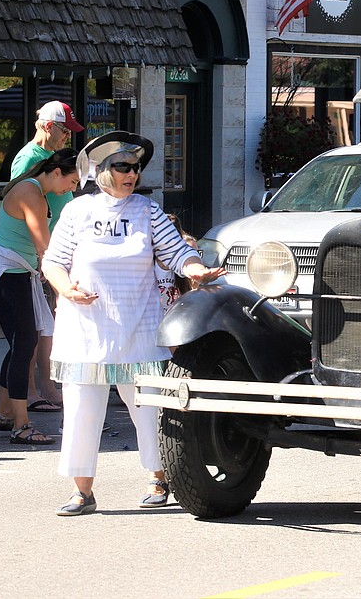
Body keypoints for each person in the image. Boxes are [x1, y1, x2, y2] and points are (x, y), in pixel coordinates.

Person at [42, 132, 224, 516]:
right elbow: (53, 262)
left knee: (150, 409)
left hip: (139, 326)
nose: (132, 174)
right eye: (123, 167)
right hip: (86, 329)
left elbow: (178, 253)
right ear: (99, 171)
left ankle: (160, 478)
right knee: (81, 410)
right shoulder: (76, 212)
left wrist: (197, 270)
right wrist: (67, 289)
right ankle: (82, 491)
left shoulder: (148, 211)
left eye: (136, 167)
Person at [0, 149, 80, 445]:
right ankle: (21, 425)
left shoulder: (36, 190)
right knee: (24, 345)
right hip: (8, 273)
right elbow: (44, 247)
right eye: (72, 182)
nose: (72, 189)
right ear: (57, 172)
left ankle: (3, 413)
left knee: (22, 344)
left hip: (18, 272)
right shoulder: (30, 192)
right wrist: (66, 287)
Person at [10, 100, 85, 410]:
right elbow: (23, 205)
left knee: (48, 324)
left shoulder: (54, 157)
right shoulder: (29, 158)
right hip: (38, 254)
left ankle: (48, 385)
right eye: (65, 131)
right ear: (48, 126)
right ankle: (29, 391)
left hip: (58, 249)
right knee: (32, 328)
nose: (68, 136)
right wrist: (42, 257)